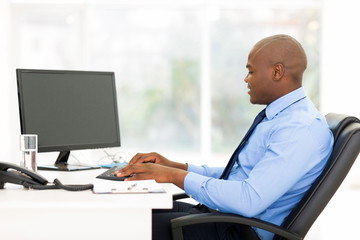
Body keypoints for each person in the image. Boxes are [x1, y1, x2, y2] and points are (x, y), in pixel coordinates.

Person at [115, 34, 334, 240]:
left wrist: (172, 176)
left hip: (235, 231)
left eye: (252, 71)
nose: (246, 79)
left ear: (277, 72)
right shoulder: (283, 118)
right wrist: (177, 167)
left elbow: (248, 199)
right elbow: (241, 176)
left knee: (121, 226)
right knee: (130, 211)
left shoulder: (298, 128)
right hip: (224, 218)